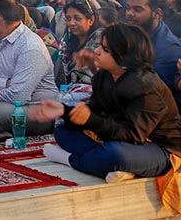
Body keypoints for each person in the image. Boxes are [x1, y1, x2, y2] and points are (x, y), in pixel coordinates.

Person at [36, 23, 181, 181]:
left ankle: (68, 159)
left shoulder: (147, 88)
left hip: (160, 147)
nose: (96, 52)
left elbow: (132, 134)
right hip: (119, 138)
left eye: (105, 50)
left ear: (124, 59)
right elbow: (96, 111)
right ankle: (117, 166)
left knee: (115, 154)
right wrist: (66, 112)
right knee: (63, 131)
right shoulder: (104, 76)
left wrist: (90, 120)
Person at [0, 0, 58, 141]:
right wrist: (4, 83)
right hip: (6, 99)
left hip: (36, 107)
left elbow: (18, 97)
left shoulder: (30, 46)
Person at [123, 0, 181, 104]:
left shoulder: (168, 50)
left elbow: (151, 94)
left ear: (157, 13)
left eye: (137, 10)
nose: (129, 13)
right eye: (128, 8)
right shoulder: (131, 33)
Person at [56, 0, 103, 86]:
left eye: (77, 18)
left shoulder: (100, 38)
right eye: (68, 19)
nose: (71, 23)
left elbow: (87, 75)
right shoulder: (68, 39)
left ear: (91, 20)